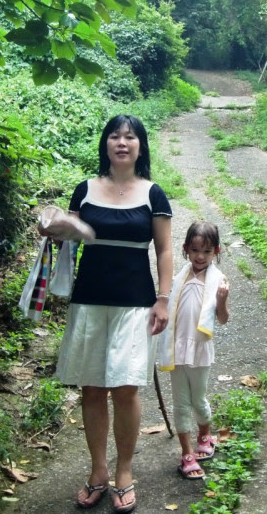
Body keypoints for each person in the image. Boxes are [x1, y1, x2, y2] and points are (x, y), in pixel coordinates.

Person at [52, 114, 173, 512]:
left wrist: (163, 299)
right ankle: (98, 471)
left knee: (125, 388)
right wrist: (52, 228)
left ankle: (124, 471)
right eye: (115, 136)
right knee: (92, 388)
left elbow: (164, 251)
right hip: (89, 300)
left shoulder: (153, 194)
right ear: (105, 144)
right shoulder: (85, 190)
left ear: (141, 146)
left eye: (130, 137)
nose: (122, 142)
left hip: (135, 303)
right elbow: (68, 238)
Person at [158, 221, 230, 480]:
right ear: (186, 248)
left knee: (198, 400)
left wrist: (222, 300)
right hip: (176, 348)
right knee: (180, 403)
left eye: (207, 251)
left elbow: (222, 319)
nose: (200, 256)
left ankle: (204, 435)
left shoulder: (219, 281)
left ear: (216, 252)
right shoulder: (178, 278)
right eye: (195, 250)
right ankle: (186, 452)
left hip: (200, 350)